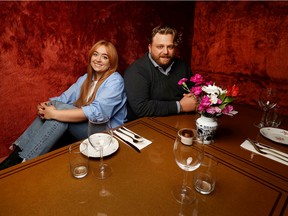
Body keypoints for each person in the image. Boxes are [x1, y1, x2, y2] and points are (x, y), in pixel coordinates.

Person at [0, 40, 127, 170]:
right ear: (90, 57)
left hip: (106, 131)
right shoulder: (85, 78)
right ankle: (14, 159)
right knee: (57, 107)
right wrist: (46, 105)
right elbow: (63, 99)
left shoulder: (115, 80)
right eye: (95, 54)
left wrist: (54, 113)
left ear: (111, 62)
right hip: (87, 126)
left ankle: (24, 161)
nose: (98, 59)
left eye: (104, 57)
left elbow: (98, 113)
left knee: (59, 113)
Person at [124, 25, 197, 121]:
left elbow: (194, 91)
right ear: (150, 47)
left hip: (178, 122)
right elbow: (141, 108)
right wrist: (180, 106)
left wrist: (194, 97)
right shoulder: (136, 71)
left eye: (170, 47)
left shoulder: (182, 66)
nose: (165, 51)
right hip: (143, 126)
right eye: (160, 46)